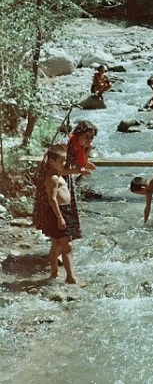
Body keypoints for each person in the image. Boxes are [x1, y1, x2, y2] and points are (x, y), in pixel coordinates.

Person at [33, 120, 97, 242]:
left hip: (66, 175)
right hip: (53, 176)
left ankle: (62, 242)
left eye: (92, 137)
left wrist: (87, 157)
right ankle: (57, 242)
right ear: (78, 134)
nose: (89, 139)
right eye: (87, 136)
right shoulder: (65, 145)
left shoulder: (83, 145)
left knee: (67, 207)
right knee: (55, 208)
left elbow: (81, 163)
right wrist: (79, 171)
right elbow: (59, 170)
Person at [36, 145, 81, 284]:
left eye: (64, 161)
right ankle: (70, 277)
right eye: (61, 161)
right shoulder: (53, 178)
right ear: (51, 162)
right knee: (67, 246)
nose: (64, 164)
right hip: (60, 212)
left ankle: (54, 272)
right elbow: (52, 199)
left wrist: (80, 170)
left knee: (56, 243)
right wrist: (60, 217)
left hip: (63, 210)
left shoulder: (56, 173)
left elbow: (66, 171)